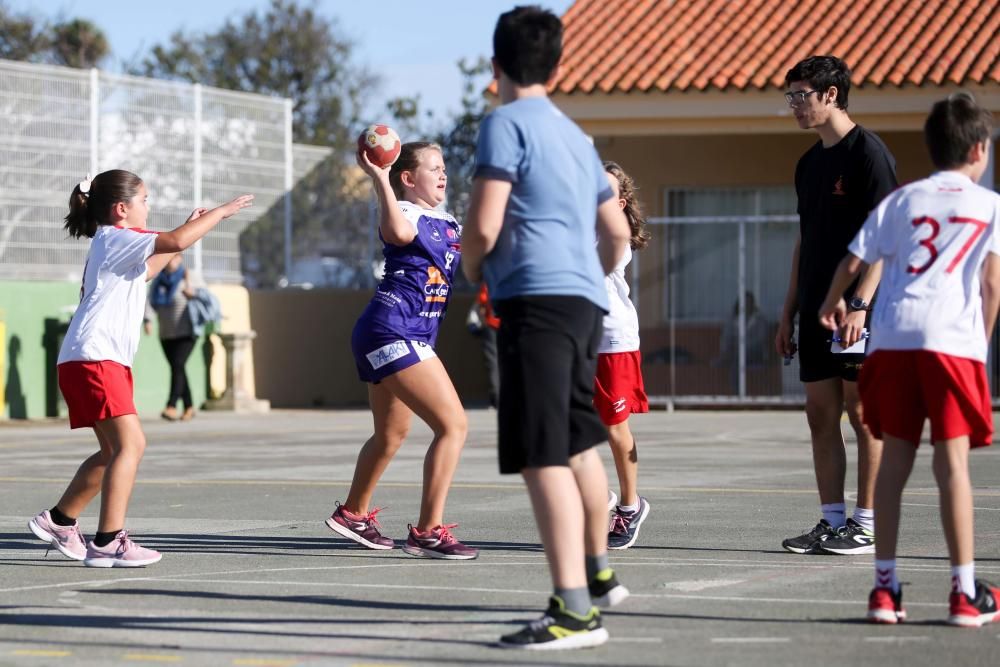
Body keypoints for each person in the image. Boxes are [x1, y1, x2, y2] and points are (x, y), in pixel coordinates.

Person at [462, 7, 632, 649]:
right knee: (578, 439)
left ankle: (573, 611)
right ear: (558, 67)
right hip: (586, 301)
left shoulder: (503, 124)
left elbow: (481, 227)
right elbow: (615, 231)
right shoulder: (575, 135)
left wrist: (474, 272)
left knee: (542, 455)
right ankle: (597, 572)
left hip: (535, 300)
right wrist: (589, 278)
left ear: (495, 65)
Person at [820, 93, 1000, 627]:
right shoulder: (988, 204)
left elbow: (854, 260)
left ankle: (884, 590)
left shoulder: (901, 200)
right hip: (951, 343)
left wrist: (833, 301)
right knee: (953, 466)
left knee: (896, 462)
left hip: (894, 340)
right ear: (980, 149)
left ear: (930, 146)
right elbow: (991, 286)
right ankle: (964, 592)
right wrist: (980, 344)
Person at [27, 169, 252, 567]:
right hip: (95, 358)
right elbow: (179, 241)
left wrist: (189, 226)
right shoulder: (118, 237)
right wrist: (220, 213)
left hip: (88, 358)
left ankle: (60, 520)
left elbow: (151, 267)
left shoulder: (114, 243)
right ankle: (108, 540)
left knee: (112, 450)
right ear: (121, 208)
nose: (148, 207)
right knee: (132, 445)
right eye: (144, 201)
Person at [324, 141, 477, 560]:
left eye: (445, 167)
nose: (443, 174)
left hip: (406, 333)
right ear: (408, 179)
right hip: (393, 330)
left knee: (391, 434)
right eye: (433, 168)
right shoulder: (405, 211)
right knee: (454, 426)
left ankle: (353, 514)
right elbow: (398, 233)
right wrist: (379, 177)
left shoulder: (447, 220)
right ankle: (428, 531)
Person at [775, 55, 897, 556]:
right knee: (819, 413)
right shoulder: (808, 163)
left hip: (861, 311)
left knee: (862, 411)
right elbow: (805, 241)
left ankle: (866, 524)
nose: (795, 106)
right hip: (815, 309)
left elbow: (887, 240)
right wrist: (788, 311)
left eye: (802, 95)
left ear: (831, 94)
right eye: (791, 97)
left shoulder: (869, 154)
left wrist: (861, 304)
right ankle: (831, 521)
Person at [597, 161, 651, 550]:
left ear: (621, 200)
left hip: (613, 342)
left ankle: (630, 506)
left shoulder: (617, 236)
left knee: (616, 429)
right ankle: (599, 498)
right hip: (577, 342)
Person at [144, 254, 198, 421]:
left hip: (187, 332)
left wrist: (191, 290)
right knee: (178, 368)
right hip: (166, 333)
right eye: (168, 259)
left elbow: (202, 297)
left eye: (174, 258)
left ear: (180, 259)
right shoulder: (159, 280)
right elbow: (150, 302)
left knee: (178, 365)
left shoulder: (188, 276)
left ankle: (172, 405)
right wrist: (148, 320)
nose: (170, 262)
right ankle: (189, 407)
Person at [467, 283, 501, 408]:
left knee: (493, 362)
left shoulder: (491, 279)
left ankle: (496, 398)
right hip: (510, 324)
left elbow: (482, 301)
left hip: (492, 325)